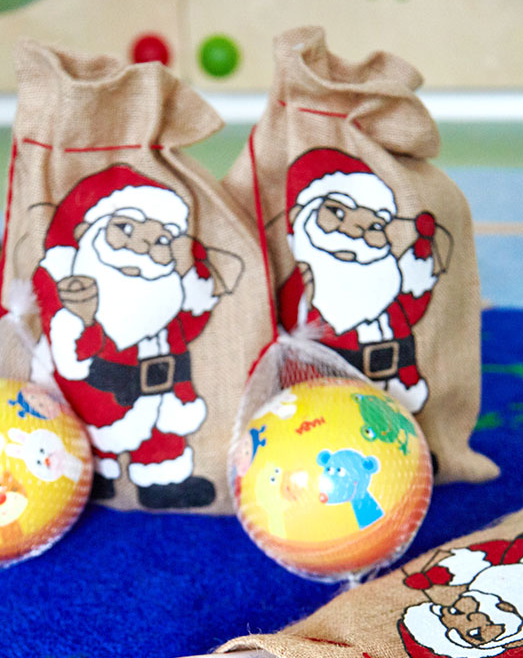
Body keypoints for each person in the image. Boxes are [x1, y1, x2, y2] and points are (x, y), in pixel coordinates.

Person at [32, 164, 240, 509]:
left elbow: (190, 325)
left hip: (162, 389)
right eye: (125, 228)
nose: (142, 246)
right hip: (104, 390)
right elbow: (74, 354)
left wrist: (195, 283)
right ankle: (99, 471)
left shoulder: (166, 299)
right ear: (86, 233)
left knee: (162, 434)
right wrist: (83, 318)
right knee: (94, 423)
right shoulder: (77, 301)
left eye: (160, 239)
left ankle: (162, 478)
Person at [279, 149, 450, 414]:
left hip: (396, 383)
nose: (356, 232)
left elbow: (411, 309)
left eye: (374, 226)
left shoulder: (386, 295)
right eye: (337, 212)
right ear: (300, 216)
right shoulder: (306, 289)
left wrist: (421, 255)